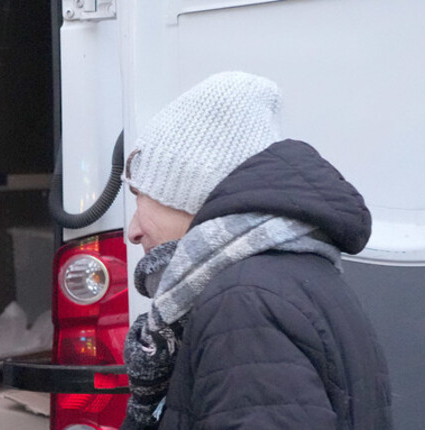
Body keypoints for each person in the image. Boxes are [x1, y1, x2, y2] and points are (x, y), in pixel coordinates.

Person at [119, 71, 393, 429]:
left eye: (141, 197)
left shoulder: (241, 303)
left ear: (190, 194)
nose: (133, 231)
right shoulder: (290, 277)